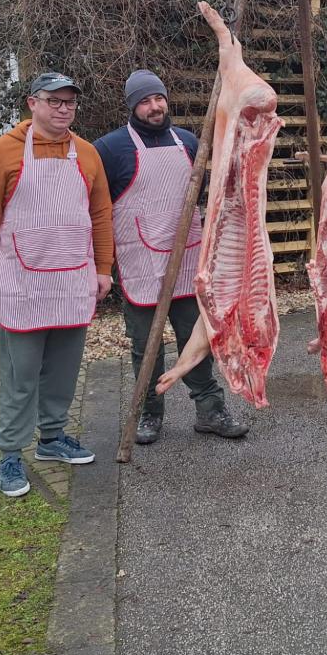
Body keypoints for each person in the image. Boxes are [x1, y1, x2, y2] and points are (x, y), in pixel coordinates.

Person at [0, 72, 114, 498]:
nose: (63, 109)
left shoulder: (87, 154)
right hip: (22, 282)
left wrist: (103, 268)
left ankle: (52, 438)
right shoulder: (1, 153)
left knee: (64, 370)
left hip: (72, 279)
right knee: (21, 376)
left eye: (70, 102)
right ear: (33, 103)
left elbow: (101, 215)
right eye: (55, 101)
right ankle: (10, 453)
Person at [94, 70, 248, 445]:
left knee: (196, 341)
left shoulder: (190, 142)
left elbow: (203, 193)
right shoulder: (109, 149)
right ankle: (148, 413)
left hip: (187, 260)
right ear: (132, 106)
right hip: (140, 263)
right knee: (145, 346)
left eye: (158, 98)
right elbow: (97, 207)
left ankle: (210, 411)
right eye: (145, 101)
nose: (154, 106)